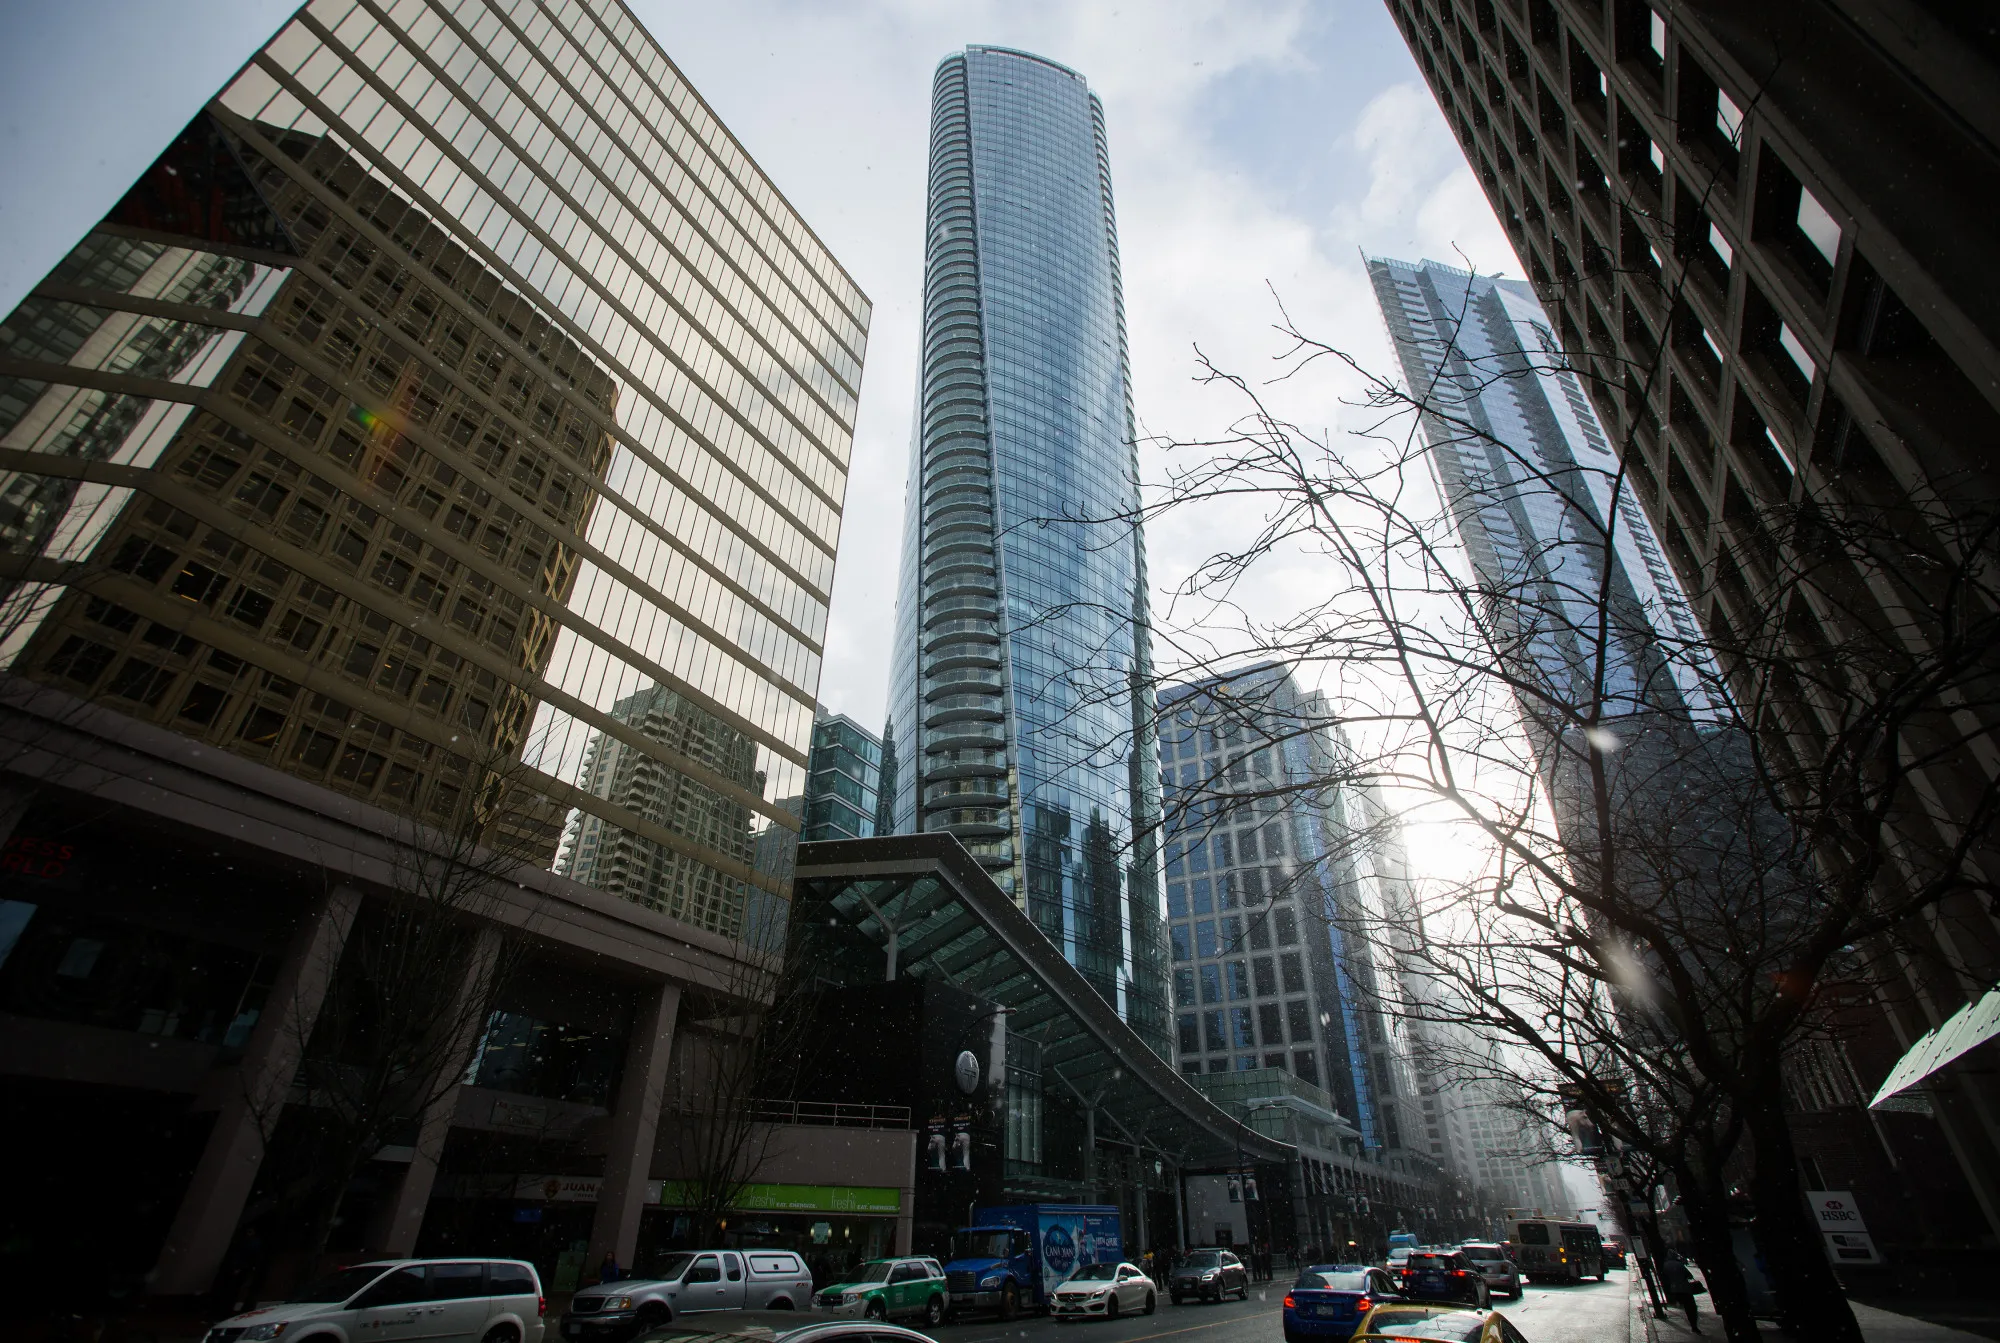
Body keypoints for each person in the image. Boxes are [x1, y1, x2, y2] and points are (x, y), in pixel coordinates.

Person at [1657, 1253, 1699, 1333]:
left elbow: (1663, 1278)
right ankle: (1694, 1325)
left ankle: (1690, 1321)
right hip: (1684, 1288)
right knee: (1690, 1307)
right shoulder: (1679, 1264)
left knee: (1684, 1305)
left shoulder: (1664, 1266)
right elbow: (1689, 1275)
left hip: (1674, 1289)